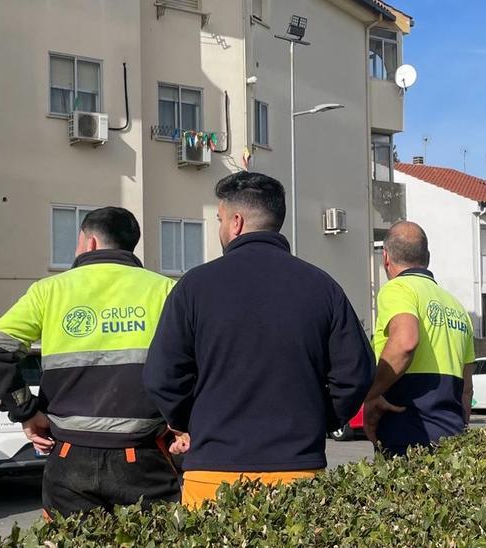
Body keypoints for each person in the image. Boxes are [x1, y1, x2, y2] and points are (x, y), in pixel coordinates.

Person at [143, 171, 374, 509]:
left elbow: (162, 377)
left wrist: (192, 422)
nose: (220, 228)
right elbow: (357, 373)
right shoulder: (322, 287)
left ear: (236, 222)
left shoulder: (194, 287)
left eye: (220, 219)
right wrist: (320, 418)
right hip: (298, 473)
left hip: (213, 475)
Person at [0, 207, 180, 517]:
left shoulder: (50, 291)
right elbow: (193, 362)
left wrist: (26, 412)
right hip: (143, 457)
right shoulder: (165, 290)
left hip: (70, 459)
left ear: (91, 243)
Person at [361, 221, 476, 457]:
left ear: (386, 257)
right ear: (428, 257)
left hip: (408, 438)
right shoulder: (456, 306)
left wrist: (370, 394)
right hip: (453, 442)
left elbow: (405, 342)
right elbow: (467, 390)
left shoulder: (398, 289)